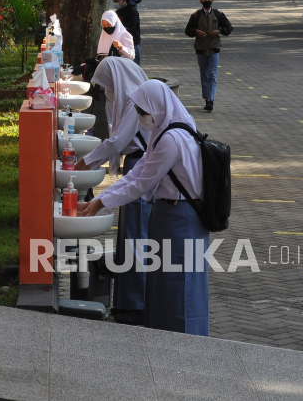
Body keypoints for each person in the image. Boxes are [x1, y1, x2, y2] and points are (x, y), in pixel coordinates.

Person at [77, 80, 209, 336]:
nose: (139, 118)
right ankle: (163, 339)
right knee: (164, 286)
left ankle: (187, 345)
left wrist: (100, 203)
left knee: (182, 288)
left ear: (157, 107)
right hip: (168, 216)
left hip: (182, 220)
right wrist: (99, 200)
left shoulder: (172, 138)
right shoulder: (163, 131)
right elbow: (136, 173)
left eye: (142, 112)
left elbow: (142, 184)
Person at [75, 58, 152, 325]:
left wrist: (88, 161)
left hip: (139, 164)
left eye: (106, 84)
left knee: (136, 235)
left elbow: (118, 140)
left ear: (116, 79)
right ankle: (128, 300)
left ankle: (136, 303)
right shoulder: (126, 98)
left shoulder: (134, 102)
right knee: (130, 234)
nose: (105, 90)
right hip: (136, 162)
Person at [184, 0, 233, 112]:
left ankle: (210, 100)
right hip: (200, 49)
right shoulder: (196, 15)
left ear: (212, 0)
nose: (207, 0)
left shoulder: (218, 14)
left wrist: (219, 31)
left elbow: (229, 28)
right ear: (200, 1)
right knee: (204, 75)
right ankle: (206, 98)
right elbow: (188, 30)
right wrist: (196, 31)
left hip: (214, 49)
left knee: (212, 74)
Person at [112, 0, 142, 65]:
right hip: (122, 43)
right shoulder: (118, 11)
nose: (115, 4)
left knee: (134, 66)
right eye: (114, 2)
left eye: (117, 1)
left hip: (133, 42)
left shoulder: (132, 11)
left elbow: (131, 27)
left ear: (123, 0)